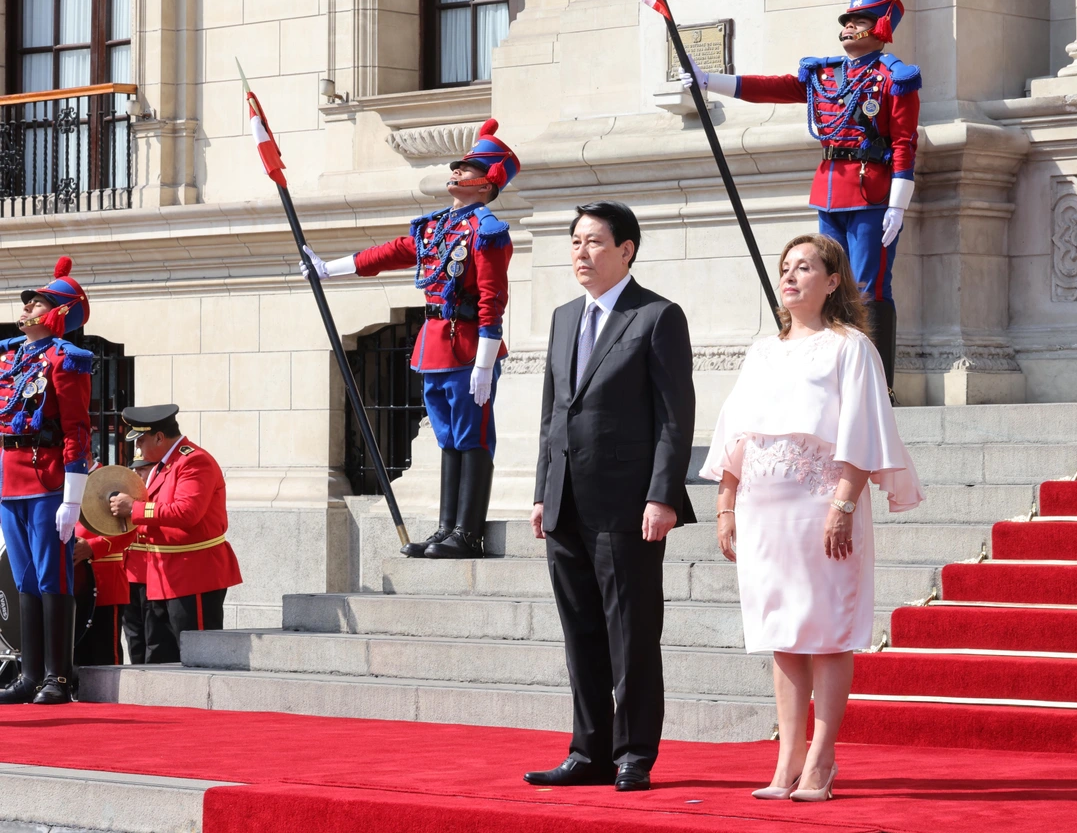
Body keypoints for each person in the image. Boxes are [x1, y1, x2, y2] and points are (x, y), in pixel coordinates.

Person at [700, 234, 922, 802]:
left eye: (806, 267)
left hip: (821, 503)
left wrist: (844, 503)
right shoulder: (761, 351)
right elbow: (737, 433)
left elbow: (863, 430)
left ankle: (821, 760)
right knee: (782, 633)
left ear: (832, 282)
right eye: (785, 267)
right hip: (762, 509)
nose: (792, 276)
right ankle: (786, 762)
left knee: (825, 632)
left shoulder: (851, 348)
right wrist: (726, 505)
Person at [523, 201, 696, 793]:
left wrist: (663, 495)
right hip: (567, 502)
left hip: (629, 506)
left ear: (626, 250)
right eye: (575, 242)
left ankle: (633, 755)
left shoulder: (656, 317)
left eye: (594, 242)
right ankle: (587, 751)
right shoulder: (564, 317)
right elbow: (553, 413)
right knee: (581, 635)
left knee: (632, 634)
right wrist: (543, 492)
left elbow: (676, 417)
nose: (581, 253)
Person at [682, 0, 920, 395]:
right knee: (825, 285)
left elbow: (904, 142)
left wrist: (899, 202)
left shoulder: (895, 78)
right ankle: (831, 373)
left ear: (881, 26)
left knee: (867, 286)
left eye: (859, 21)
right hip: (830, 187)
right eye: (846, 21)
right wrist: (708, 80)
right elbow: (773, 87)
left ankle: (876, 385)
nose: (849, 28)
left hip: (872, 194)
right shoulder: (824, 74)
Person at [302, 119, 519, 560]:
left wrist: (484, 362)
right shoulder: (436, 228)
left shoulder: (488, 230)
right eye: (457, 166)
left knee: (472, 437)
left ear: (488, 182)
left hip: (467, 344)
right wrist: (330, 268)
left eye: (469, 168)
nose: (457, 171)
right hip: (437, 342)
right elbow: (389, 253)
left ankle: (468, 533)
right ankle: (446, 529)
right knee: (448, 439)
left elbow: (493, 301)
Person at [0, 257, 93, 706]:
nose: (28, 308)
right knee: (23, 579)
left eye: (37, 304)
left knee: (52, 578)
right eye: (30, 302)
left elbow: (77, 430)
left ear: (57, 313)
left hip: (46, 478)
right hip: (10, 479)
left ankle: (59, 676)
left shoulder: (67, 360)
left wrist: (72, 498)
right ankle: (29, 672)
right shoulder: (10, 356)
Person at [109, 405, 242, 664]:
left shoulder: (194, 460)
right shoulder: (165, 464)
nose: (139, 449)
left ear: (159, 437)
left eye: (141, 440)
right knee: (161, 655)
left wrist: (133, 509)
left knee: (197, 655)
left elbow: (186, 513)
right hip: (162, 574)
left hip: (193, 573)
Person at [73, 462, 135, 667]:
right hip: (68, 583)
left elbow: (128, 530)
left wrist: (92, 548)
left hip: (103, 581)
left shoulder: (111, 479)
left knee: (103, 657)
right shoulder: (57, 479)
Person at [121, 460, 152, 664]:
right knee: (133, 637)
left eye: (143, 468)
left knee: (153, 637)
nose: (137, 473)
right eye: (135, 468)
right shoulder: (126, 495)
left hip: (151, 574)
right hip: (128, 573)